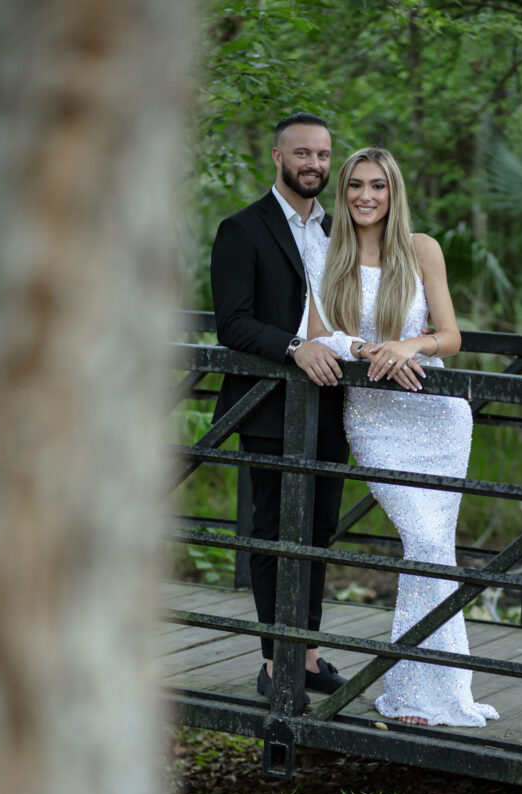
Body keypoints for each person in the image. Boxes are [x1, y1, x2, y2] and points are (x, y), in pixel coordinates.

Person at [303, 147, 499, 727]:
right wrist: (364, 348)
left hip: (436, 415)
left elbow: (452, 336)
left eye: (378, 187)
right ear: (344, 192)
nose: (367, 197)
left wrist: (407, 346)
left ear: (394, 193)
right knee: (425, 543)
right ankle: (422, 689)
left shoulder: (421, 249)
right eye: (357, 186)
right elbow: (319, 334)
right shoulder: (326, 252)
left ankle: (428, 693)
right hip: (374, 419)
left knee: (434, 550)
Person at [210, 113, 349, 704]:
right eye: (302, 153)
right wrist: (296, 348)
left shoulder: (342, 231)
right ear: (277, 156)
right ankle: (274, 661)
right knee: (273, 532)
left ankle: (309, 654)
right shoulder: (241, 229)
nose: (313, 164)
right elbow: (234, 325)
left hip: (333, 405)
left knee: (317, 531)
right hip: (268, 407)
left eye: (322, 154)